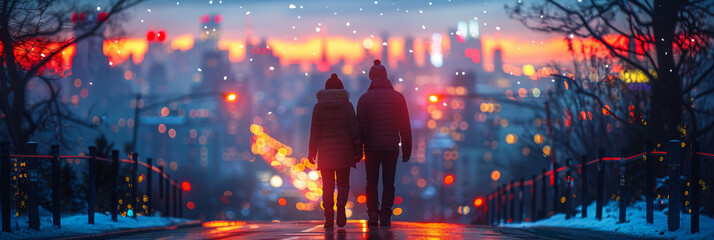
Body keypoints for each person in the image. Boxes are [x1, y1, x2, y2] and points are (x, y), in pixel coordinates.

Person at [357, 59, 412, 227]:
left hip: (372, 148)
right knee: (389, 181)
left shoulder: (364, 99)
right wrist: (407, 150)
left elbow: (360, 128)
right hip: (391, 147)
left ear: (371, 77)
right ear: (386, 77)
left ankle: (373, 213)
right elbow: (405, 126)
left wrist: (358, 151)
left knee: (371, 181)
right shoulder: (398, 98)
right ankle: (386, 215)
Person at [308, 73, 362, 229]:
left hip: (325, 154)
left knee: (327, 185)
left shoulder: (319, 107)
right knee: (344, 183)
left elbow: (314, 132)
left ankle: (329, 217)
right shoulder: (347, 106)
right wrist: (358, 151)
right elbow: (355, 131)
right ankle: (341, 208)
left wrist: (311, 153)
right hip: (345, 152)